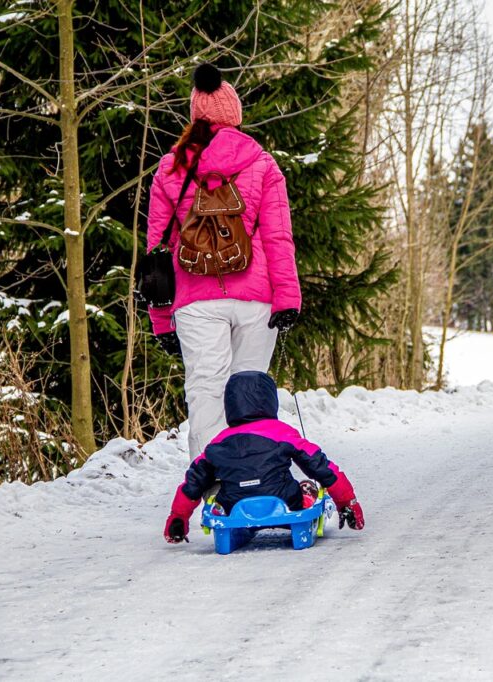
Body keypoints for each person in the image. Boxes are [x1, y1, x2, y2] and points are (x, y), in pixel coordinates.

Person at [146, 62, 301, 461]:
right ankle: (253, 475)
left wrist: (161, 319)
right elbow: (278, 238)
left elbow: (158, 251)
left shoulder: (170, 168)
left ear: (194, 114)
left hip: (195, 300)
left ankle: (210, 476)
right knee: (248, 391)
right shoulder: (262, 164)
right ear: (234, 114)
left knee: (206, 389)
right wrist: (287, 299)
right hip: (256, 299)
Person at [164, 371, 365, 544]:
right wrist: (347, 502)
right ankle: (304, 509)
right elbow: (320, 466)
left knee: (216, 491)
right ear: (270, 400)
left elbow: (193, 482)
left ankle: (226, 521)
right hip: (287, 502)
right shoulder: (282, 432)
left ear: (230, 404)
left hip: (233, 505)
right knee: (307, 486)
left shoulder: (218, 442)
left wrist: (178, 517)